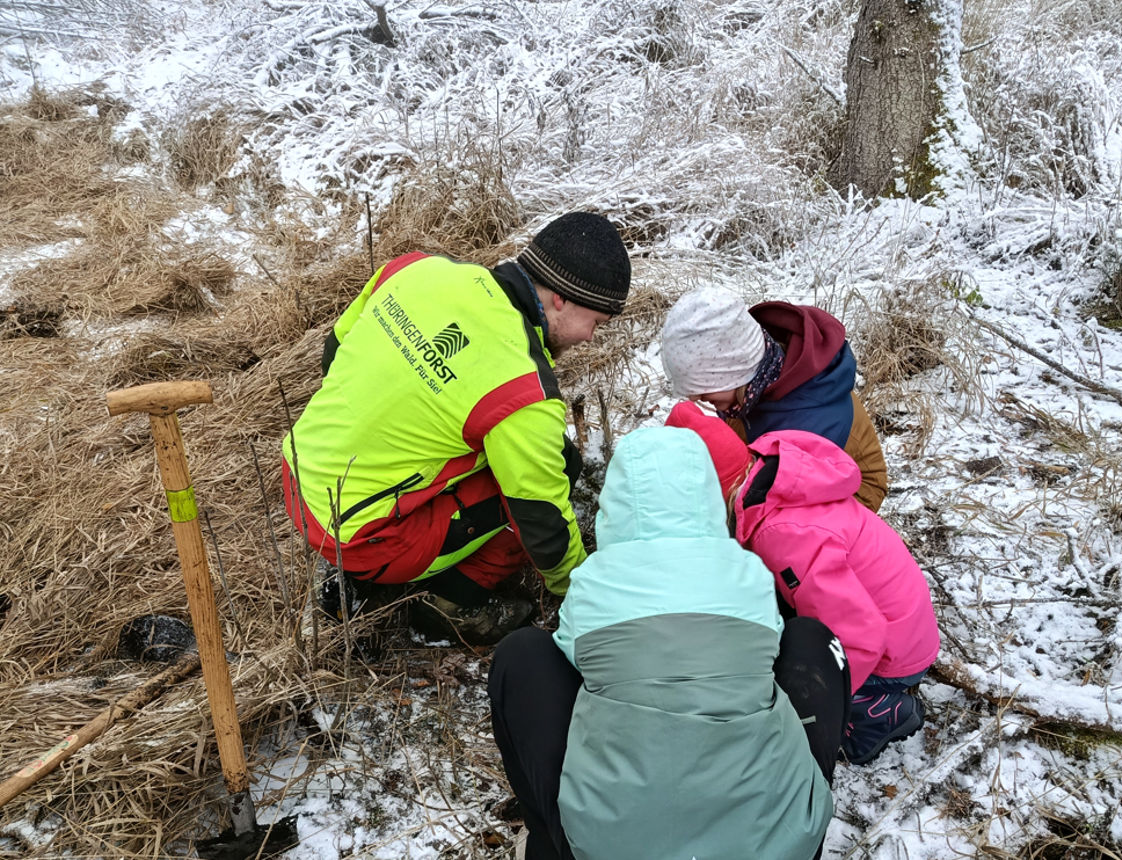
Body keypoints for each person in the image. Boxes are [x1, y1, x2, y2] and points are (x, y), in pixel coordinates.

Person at [487, 426, 849, 860]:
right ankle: (793, 806)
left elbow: (573, 660)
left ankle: (548, 843)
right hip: (777, 844)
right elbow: (768, 648)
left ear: (614, 505)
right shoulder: (750, 575)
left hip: (612, 848)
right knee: (812, 639)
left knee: (523, 655)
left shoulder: (592, 583)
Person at [281, 212, 631, 645]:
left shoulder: (416, 269)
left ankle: (373, 563)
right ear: (562, 298)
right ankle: (450, 603)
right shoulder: (523, 389)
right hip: (361, 538)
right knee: (555, 468)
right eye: (596, 322)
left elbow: (335, 352)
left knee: (508, 453)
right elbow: (541, 521)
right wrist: (577, 590)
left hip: (298, 471)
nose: (591, 337)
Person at [666, 401, 940, 766]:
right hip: (900, 627)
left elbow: (859, 636)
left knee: (787, 690)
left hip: (891, 657)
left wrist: (820, 700)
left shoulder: (782, 534)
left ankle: (875, 712)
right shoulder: (777, 486)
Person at [659, 286, 889, 513]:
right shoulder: (755, 381)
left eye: (705, 385)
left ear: (735, 371)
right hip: (776, 454)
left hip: (845, 493)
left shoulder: (810, 422)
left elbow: (770, 499)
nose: (695, 397)